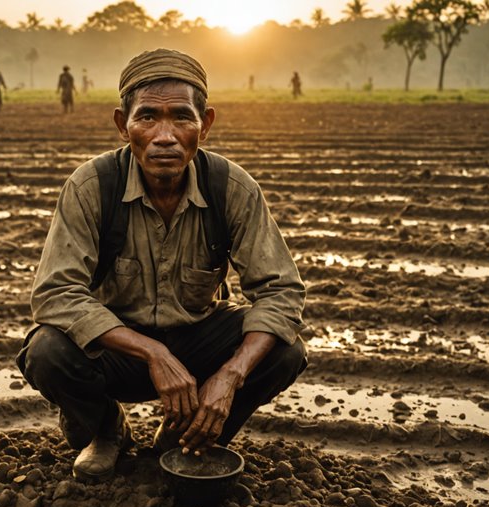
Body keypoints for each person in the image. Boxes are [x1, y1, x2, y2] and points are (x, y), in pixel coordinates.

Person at [17, 48, 307, 482]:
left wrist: (230, 374)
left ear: (204, 125)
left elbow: (281, 292)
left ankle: (189, 436)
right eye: (148, 116)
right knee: (46, 351)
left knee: (285, 350)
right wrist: (152, 351)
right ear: (123, 125)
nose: (165, 135)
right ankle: (106, 431)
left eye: (181, 118)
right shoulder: (91, 186)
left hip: (198, 342)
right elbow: (55, 293)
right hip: (117, 349)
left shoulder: (232, 188)